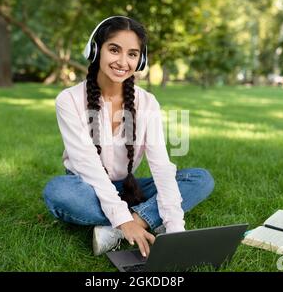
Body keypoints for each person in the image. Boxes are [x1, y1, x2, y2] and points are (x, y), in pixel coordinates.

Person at [43, 16, 215, 257]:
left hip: (129, 187)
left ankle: (121, 228)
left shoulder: (147, 102)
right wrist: (123, 218)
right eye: (114, 50)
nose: (123, 61)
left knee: (200, 179)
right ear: (96, 50)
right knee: (58, 192)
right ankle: (138, 219)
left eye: (133, 54)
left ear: (140, 60)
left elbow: (161, 166)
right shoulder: (68, 100)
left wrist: (176, 230)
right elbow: (88, 166)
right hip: (86, 187)